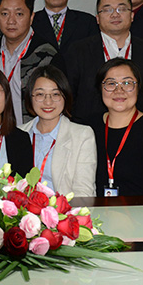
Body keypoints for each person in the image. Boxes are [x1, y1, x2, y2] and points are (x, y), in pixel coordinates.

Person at [64, 0, 143, 124]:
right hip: (89, 129)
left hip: (138, 128)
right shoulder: (78, 50)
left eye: (121, 9)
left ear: (132, 15)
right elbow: (68, 96)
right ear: (97, 18)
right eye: (108, 9)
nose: (115, 14)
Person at [91, 58, 143, 197]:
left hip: (140, 209)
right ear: (100, 88)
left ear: (138, 88)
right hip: (94, 209)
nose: (119, 90)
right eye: (111, 83)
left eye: (127, 83)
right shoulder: (88, 128)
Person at [0, 0, 63, 124]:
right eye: (4, 14)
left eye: (19, 14)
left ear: (31, 17)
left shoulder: (46, 53)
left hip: (32, 129)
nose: (11, 21)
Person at [19, 66, 96, 197]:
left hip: (65, 208)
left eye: (55, 94)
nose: (48, 102)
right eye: (40, 94)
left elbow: (84, 193)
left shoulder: (82, 135)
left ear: (65, 96)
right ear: (30, 97)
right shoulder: (18, 134)